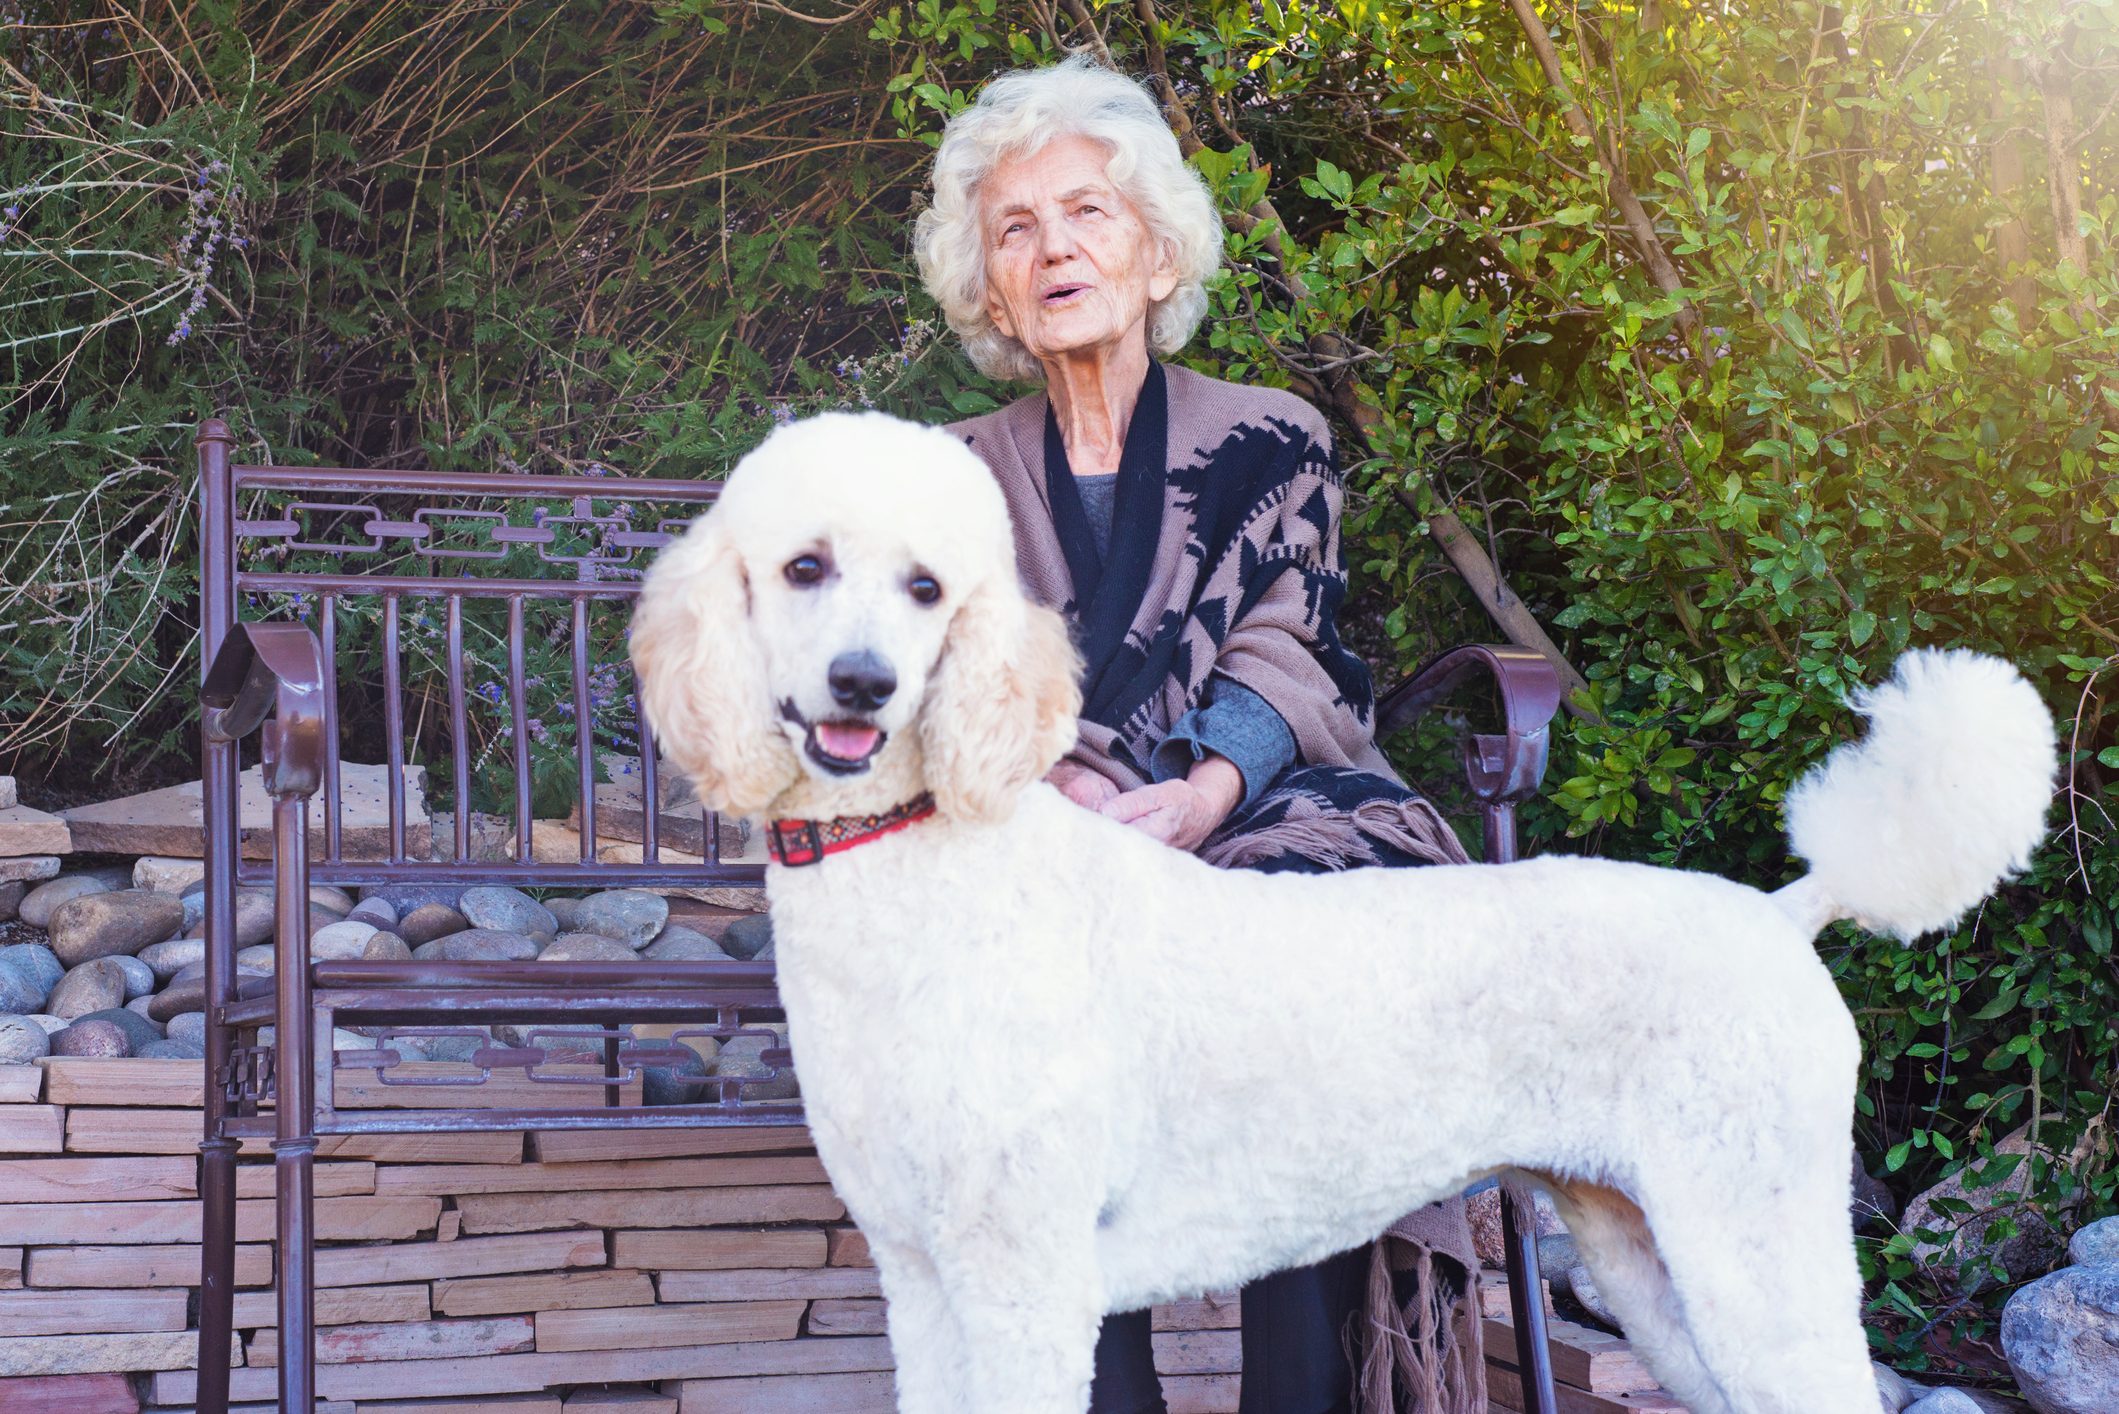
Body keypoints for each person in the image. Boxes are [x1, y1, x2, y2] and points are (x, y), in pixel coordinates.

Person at [915, 56, 1485, 1414]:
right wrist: (1053, 797)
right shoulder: (951, 473)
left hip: (1256, 818)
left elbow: (1295, 644)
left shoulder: (1270, 437)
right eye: (1016, 228)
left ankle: (1301, 1394)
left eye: (1086, 214)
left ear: (1159, 253)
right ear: (988, 288)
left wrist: (1202, 796)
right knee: (1034, 993)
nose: (1053, 247)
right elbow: (942, 682)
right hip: (1047, 840)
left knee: (1300, 975)